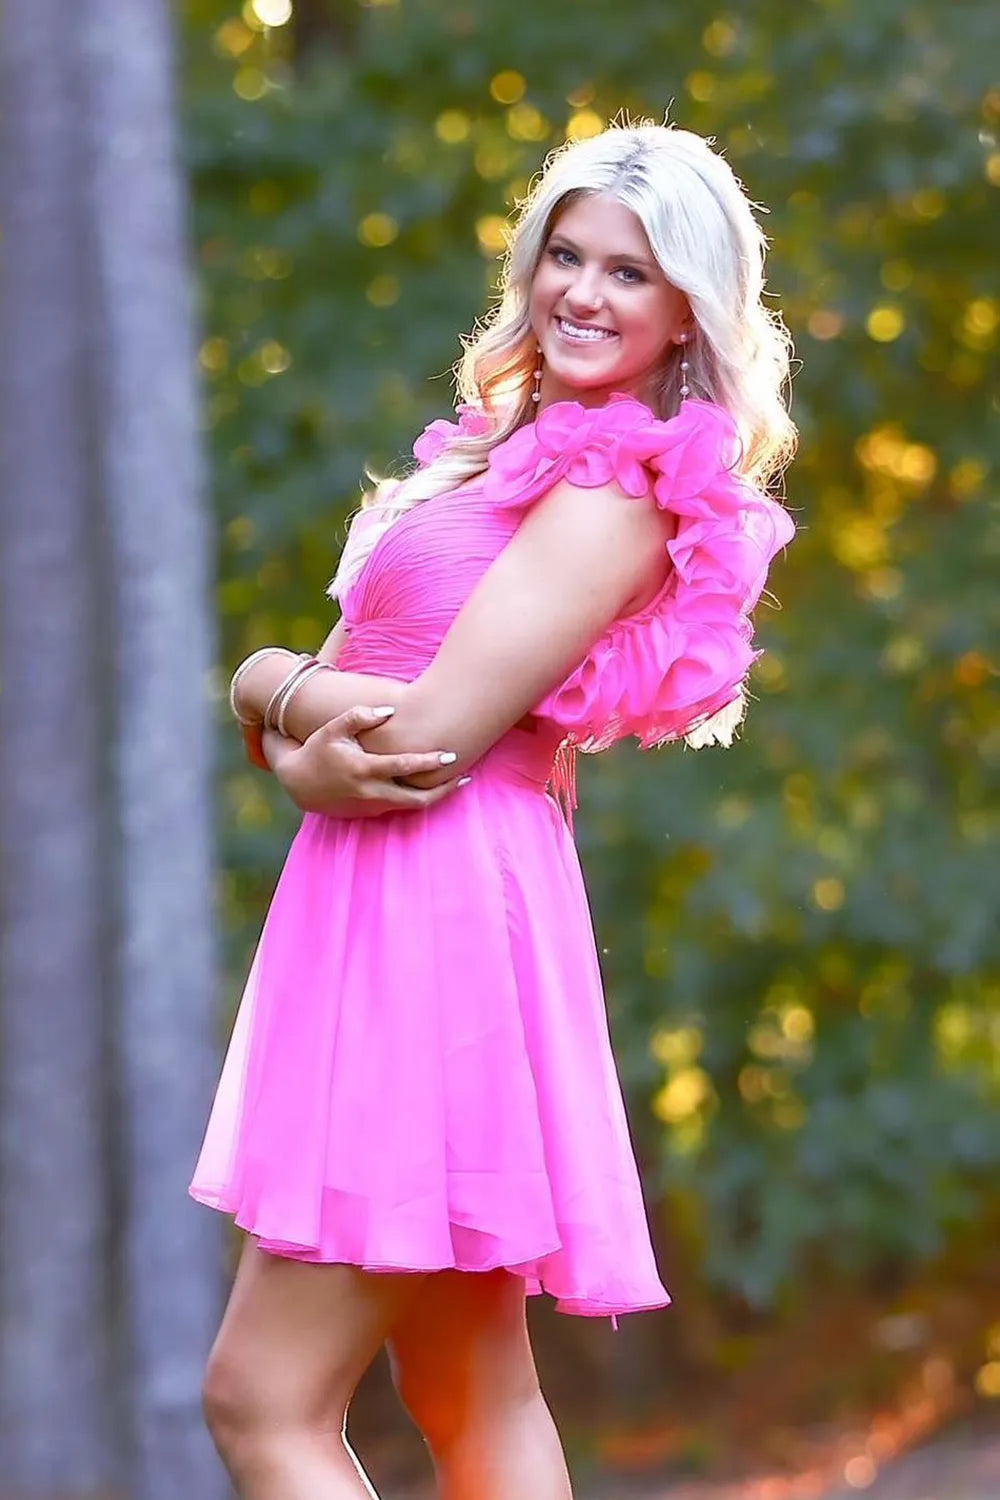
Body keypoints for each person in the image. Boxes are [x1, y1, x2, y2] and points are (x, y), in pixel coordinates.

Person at [190, 120, 797, 1500]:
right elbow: (366, 702)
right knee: (468, 1386)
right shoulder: (500, 459)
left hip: (436, 903)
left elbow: (429, 736)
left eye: (629, 273)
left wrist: (260, 679)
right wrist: (296, 744)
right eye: (566, 255)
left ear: (687, 310)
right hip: (391, 886)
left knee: (262, 1400)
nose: (583, 291)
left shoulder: (614, 490)